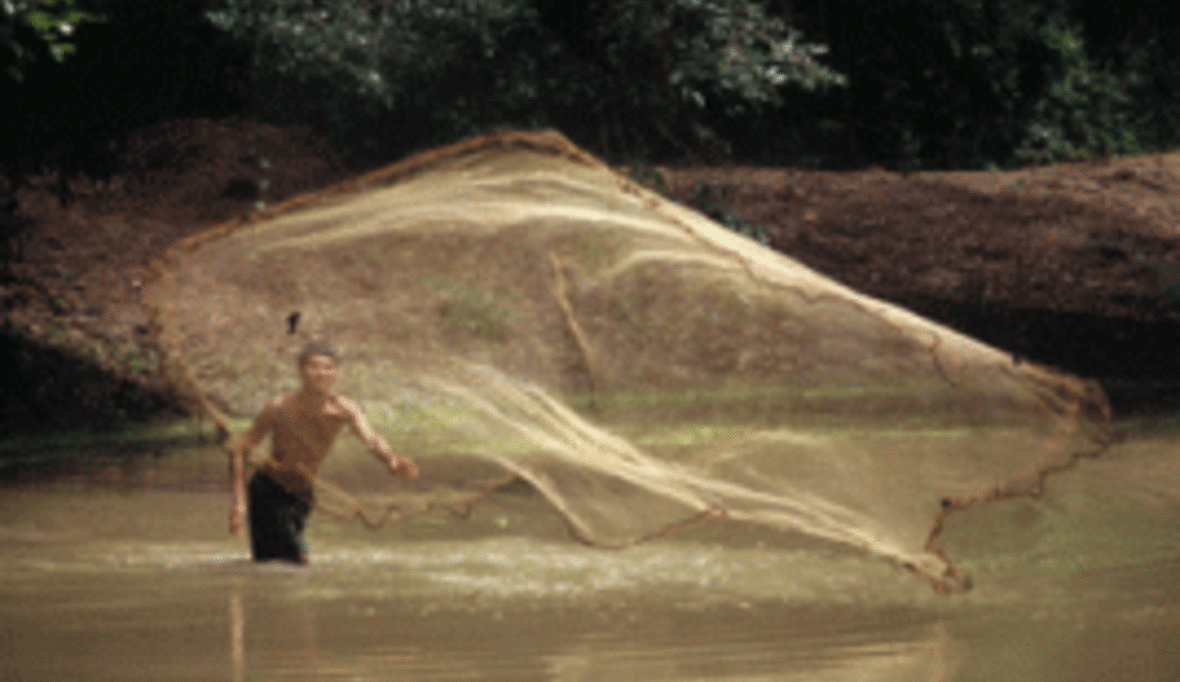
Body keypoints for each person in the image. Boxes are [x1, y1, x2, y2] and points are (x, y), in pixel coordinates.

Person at [228, 341, 418, 563]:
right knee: (297, 559)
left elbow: (372, 439)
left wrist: (393, 463)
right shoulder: (279, 407)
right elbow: (241, 449)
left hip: (303, 493)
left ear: (335, 373)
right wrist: (239, 501)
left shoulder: (343, 409)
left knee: (274, 563)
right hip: (268, 490)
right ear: (301, 371)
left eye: (328, 368)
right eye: (314, 367)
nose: (321, 373)